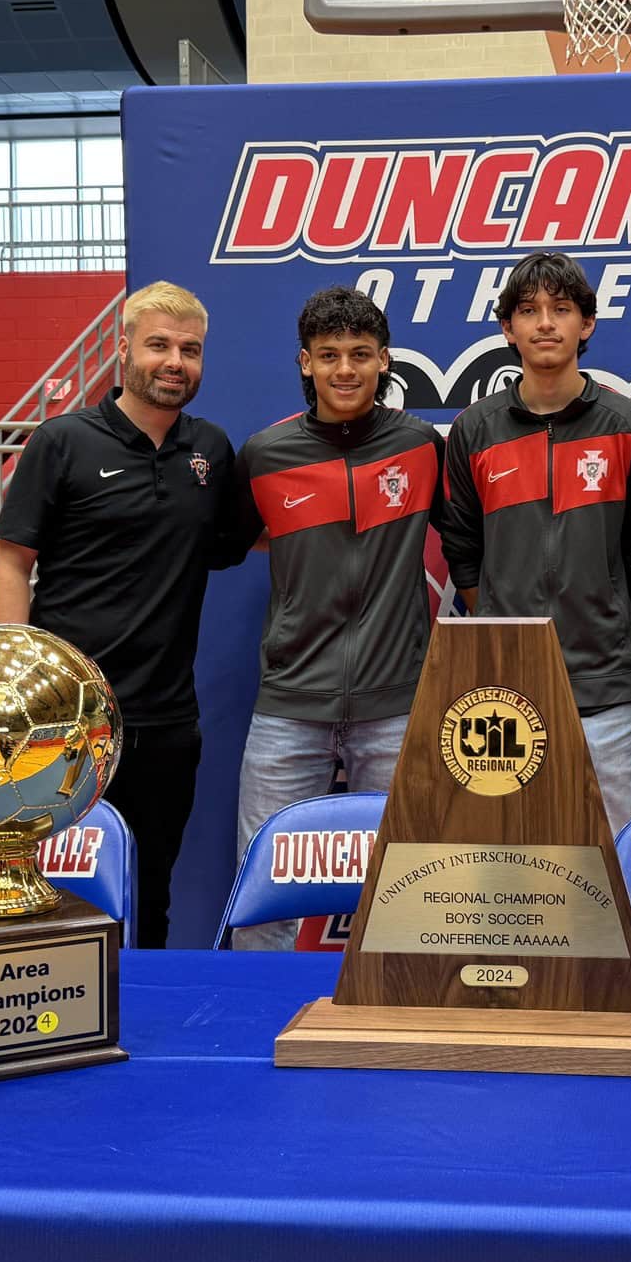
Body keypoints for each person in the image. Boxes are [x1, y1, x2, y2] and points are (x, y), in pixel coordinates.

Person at [0, 280, 240, 947]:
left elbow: (258, 533)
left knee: (147, 889)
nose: (174, 362)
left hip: (166, 722)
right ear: (123, 347)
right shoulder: (62, 441)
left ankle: (139, 1022)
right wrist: (10, 691)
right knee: (49, 886)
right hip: (63, 719)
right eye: (158, 344)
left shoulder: (210, 453)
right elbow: (12, 563)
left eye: (190, 350)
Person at [226, 286, 448, 948]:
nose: (344, 369)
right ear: (304, 363)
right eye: (329, 356)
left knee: (410, 879)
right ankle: (257, 1009)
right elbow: (233, 539)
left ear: (384, 361)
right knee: (264, 881)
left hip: (397, 701)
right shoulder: (266, 455)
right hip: (290, 703)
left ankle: (401, 1010)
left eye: (359, 354)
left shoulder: (420, 444)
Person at [442, 252, 631, 834]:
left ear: (585, 324)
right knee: (509, 855)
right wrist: (500, 622)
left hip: (604, 685)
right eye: (529, 311)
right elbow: (462, 548)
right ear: (507, 327)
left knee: (610, 857)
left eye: (561, 310)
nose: (545, 323)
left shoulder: (628, 425)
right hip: (503, 684)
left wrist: (605, 607)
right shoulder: (474, 429)